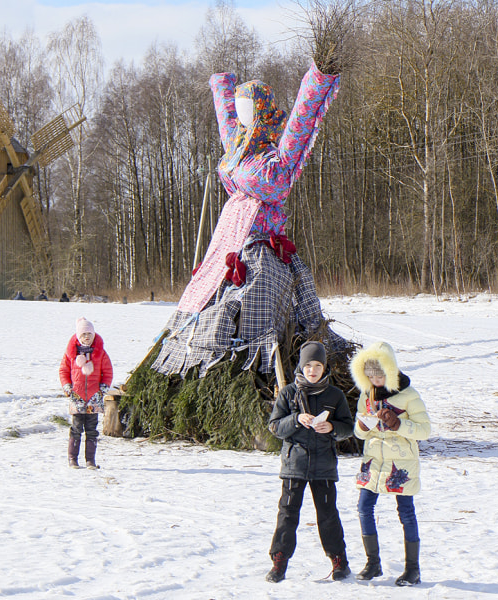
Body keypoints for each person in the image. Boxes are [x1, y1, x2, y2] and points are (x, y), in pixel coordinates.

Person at [150, 61, 343, 379]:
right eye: (238, 107)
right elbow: (225, 118)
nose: (241, 114)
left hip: (263, 249)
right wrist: (220, 84)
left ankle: (264, 369)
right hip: (229, 245)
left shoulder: (278, 159)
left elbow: (302, 120)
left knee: (259, 301)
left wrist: (320, 76)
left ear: (261, 109)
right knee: (211, 301)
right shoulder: (237, 147)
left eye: (247, 107)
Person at [265, 341, 354, 583]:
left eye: (317, 365)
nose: (312, 370)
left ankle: (339, 562)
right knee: (287, 514)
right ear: (301, 367)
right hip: (294, 465)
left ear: (324, 368)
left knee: (328, 515)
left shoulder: (335, 395)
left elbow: (348, 427)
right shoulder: (288, 393)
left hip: (324, 466)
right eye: (308, 365)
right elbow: (274, 427)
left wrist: (332, 427)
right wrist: (295, 419)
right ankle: (279, 562)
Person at [349, 341, 431, 586]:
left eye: (380, 375)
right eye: (370, 376)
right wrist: (362, 426)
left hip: (401, 463)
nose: (375, 380)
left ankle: (412, 569)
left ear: (391, 370)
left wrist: (398, 424)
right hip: (373, 461)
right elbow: (358, 433)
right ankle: (372, 563)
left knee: (406, 512)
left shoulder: (408, 394)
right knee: (364, 507)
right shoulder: (366, 395)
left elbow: (425, 430)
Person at [59, 317, 113, 469]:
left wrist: (102, 389)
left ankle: (90, 460)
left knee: (91, 430)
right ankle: (72, 459)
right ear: (78, 336)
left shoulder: (100, 353)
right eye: (84, 334)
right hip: (76, 396)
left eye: (89, 334)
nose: (87, 337)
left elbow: (108, 372)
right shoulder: (70, 354)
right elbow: (64, 371)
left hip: (94, 397)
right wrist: (67, 387)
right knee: (76, 429)